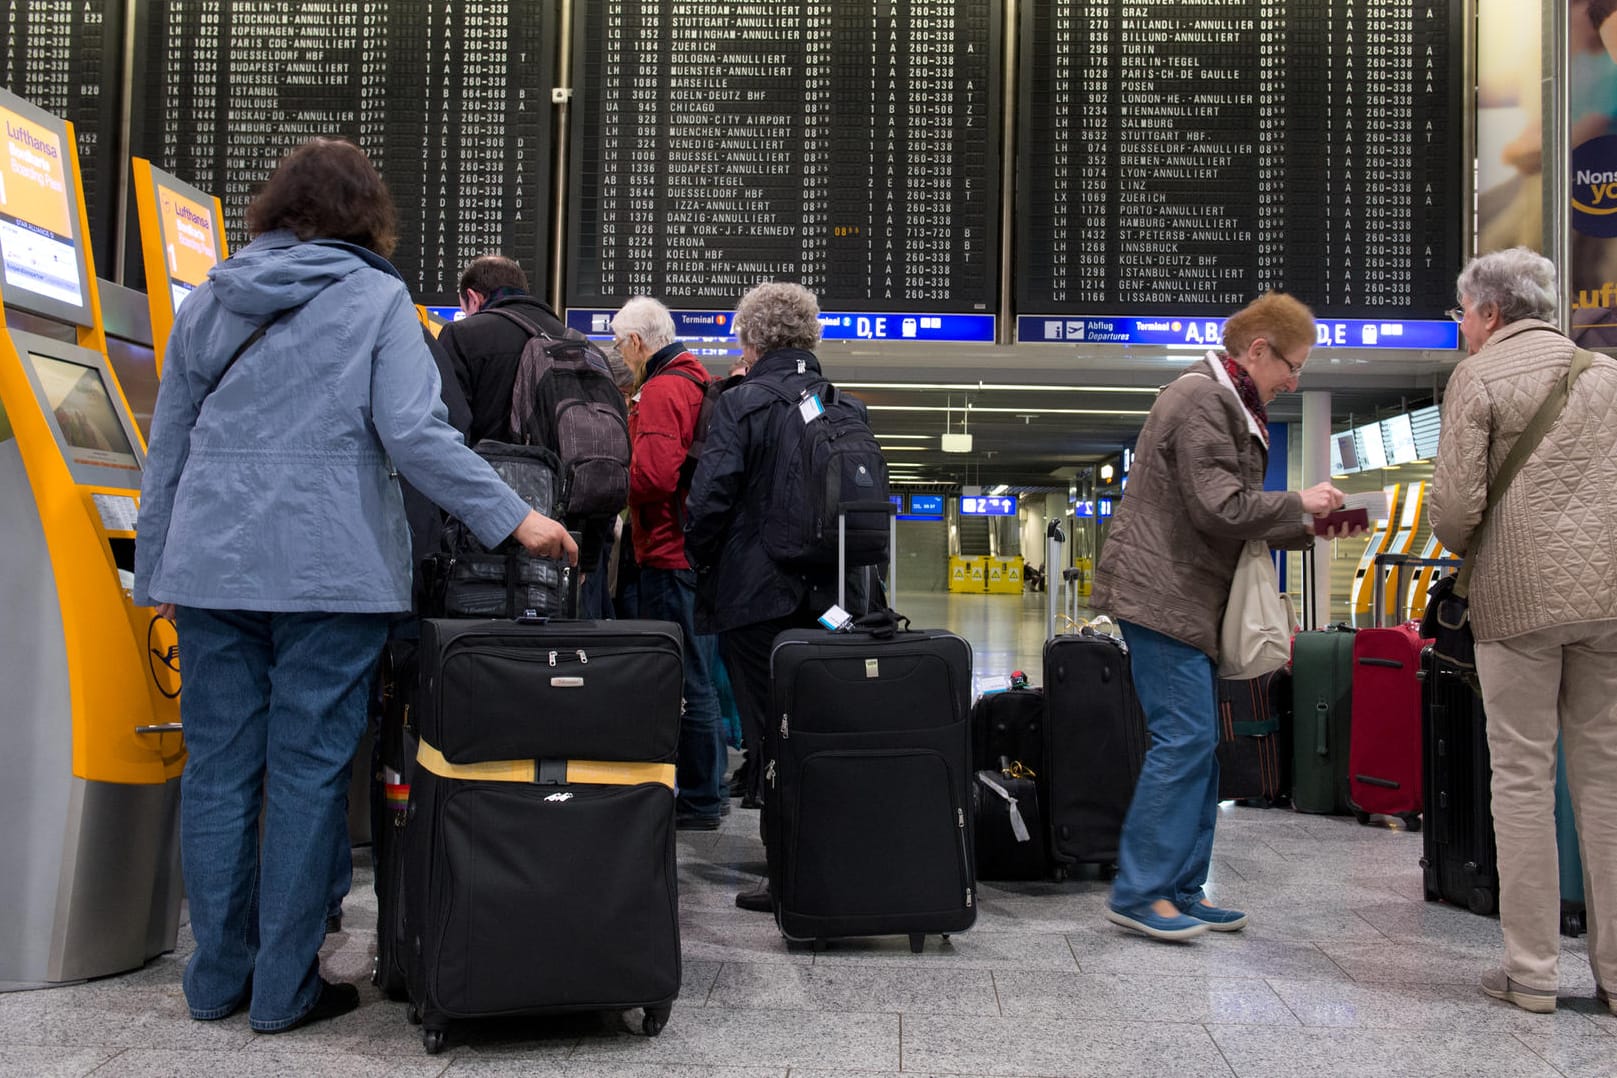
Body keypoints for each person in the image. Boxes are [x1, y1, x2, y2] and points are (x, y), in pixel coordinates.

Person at [133, 138, 576, 1034]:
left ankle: (215, 979)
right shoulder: (376, 298)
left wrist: (158, 566)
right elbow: (413, 434)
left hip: (213, 566)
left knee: (218, 774)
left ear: (271, 208)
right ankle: (284, 990)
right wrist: (516, 518)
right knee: (305, 773)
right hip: (330, 571)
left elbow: (169, 439)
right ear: (368, 215)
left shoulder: (209, 298)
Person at [1090, 292, 1348, 941]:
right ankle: (1139, 890)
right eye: (1291, 364)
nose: (1294, 379)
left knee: (1202, 749)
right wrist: (1296, 501)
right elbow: (1217, 508)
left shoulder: (1229, 401)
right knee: (1185, 741)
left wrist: (1308, 521)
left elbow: (1227, 515)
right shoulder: (1201, 397)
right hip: (1162, 595)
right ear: (1257, 349)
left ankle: (1179, 887)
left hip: (1187, 596)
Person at [1429, 247, 1617, 1016]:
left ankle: (1532, 973)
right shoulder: (1606, 375)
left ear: (1490, 312)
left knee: (1521, 781)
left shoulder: (1477, 377)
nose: (1462, 328)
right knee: (1605, 783)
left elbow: (1449, 516)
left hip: (1517, 605)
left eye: (1462, 314)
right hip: (1608, 604)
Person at [684, 281, 872, 911]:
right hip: (834, 601)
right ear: (811, 336)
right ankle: (843, 856)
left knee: (771, 733)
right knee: (824, 724)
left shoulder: (743, 402)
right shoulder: (845, 406)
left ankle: (789, 869)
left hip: (757, 598)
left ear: (750, 338)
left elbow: (710, 499)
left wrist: (703, 559)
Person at [437, 255, 632, 616]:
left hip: (488, 548)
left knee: (493, 662)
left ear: (473, 298)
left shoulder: (462, 337)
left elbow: (445, 439)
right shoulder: (584, 348)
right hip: (569, 548)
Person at [610, 296, 727, 830]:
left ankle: (699, 799)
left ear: (636, 342)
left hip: (667, 551)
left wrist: (607, 486)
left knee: (686, 680)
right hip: (692, 553)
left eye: (619, 345)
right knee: (697, 674)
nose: (619, 355)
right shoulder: (697, 379)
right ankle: (706, 793)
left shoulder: (660, 389)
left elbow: (653, 477)